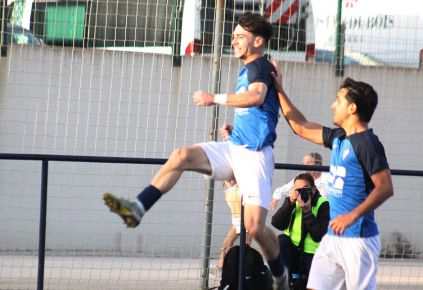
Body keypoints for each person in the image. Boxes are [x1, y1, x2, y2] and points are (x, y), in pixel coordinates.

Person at [103, 13, 289, 290]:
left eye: (240, 36)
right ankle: (138, 208)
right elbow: (257, 110)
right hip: (235, 147)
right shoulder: (250, 67)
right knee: (181, 156)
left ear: (258, 41)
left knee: (254, 228)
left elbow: (257, 96)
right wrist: (234, 128)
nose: (234, 40)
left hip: (255, 157)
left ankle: (280, 277)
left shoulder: (259, 66)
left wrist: (214, 98)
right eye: (234, 35)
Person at [271, 61, 394, 290]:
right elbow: (300, 126)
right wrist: (279, 88)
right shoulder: (338, 137)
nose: (332, 105)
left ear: (352, 108)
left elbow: (385, 187)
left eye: (338, 100)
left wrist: (351, 216)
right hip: (332, 238)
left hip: (358, 240)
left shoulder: (367, 143)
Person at [271, 173, 329, 290]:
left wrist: (308, 212)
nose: (301, 193)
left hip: (312, 253)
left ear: (313, 189)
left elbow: (319, 235)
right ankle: (284, 276)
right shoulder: (292, 201)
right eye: (298, 190)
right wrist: (289, 204)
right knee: (281, 239)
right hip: (292, 250)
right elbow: (277, 223)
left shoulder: (322, 204)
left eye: (305, 189)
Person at [217, 179, 252, 269]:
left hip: (246, 220)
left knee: (245, 247)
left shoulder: (241, 189)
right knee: (225, 246)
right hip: (236, 221)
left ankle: (242, 269)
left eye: (232, 177)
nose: (229, 179)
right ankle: (225, 268)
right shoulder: (227, 190)